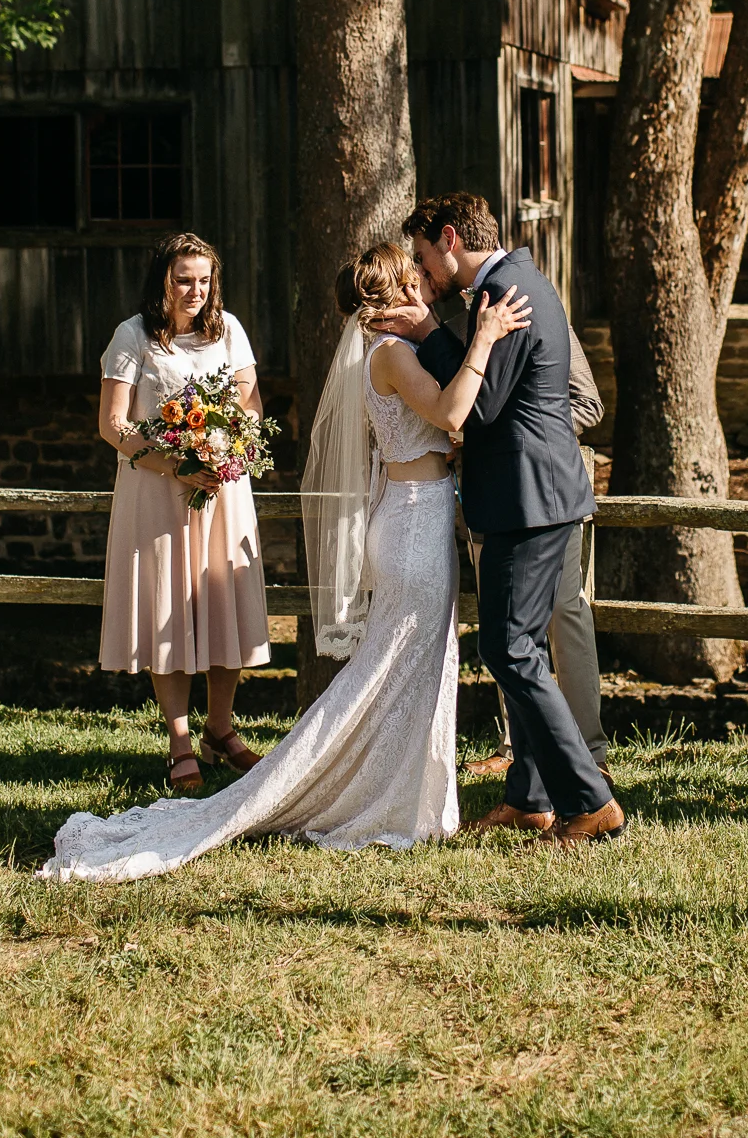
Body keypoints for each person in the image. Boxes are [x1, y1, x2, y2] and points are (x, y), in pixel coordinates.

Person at [41, 246, 529, 881]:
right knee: (393, 667)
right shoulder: (392, 355)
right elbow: (451, 411)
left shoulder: (383, 353)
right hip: (412, 523)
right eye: (413, 284)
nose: (424, 291)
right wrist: (484, 340)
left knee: (413, 665)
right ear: (391, 297)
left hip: (417, 515)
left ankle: (411, 798)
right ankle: (333, 784)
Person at [403, 193, 624, 846]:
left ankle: (588, 800)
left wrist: (426, 337)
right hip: (540, 494)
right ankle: (530, 797)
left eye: (423, 257)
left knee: (509, 648)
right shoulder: (518, 279)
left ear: (448, 238)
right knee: (519, 645)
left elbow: (484, 406)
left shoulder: (500, 293)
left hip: (526, 498)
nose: (424, 274)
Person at [96, 231, 271, 792]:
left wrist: (225, 452)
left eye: (204, 280)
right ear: (163, 281)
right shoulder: (133, 336)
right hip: (159, 492)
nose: (195, 291)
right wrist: (174, 462)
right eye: (183, 279)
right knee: (167, 605)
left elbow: (250, 407)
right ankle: (179, 741)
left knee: (224, 603)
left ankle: (221, 728)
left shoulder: (230, 330)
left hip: (221, 490)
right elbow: (113, 426)